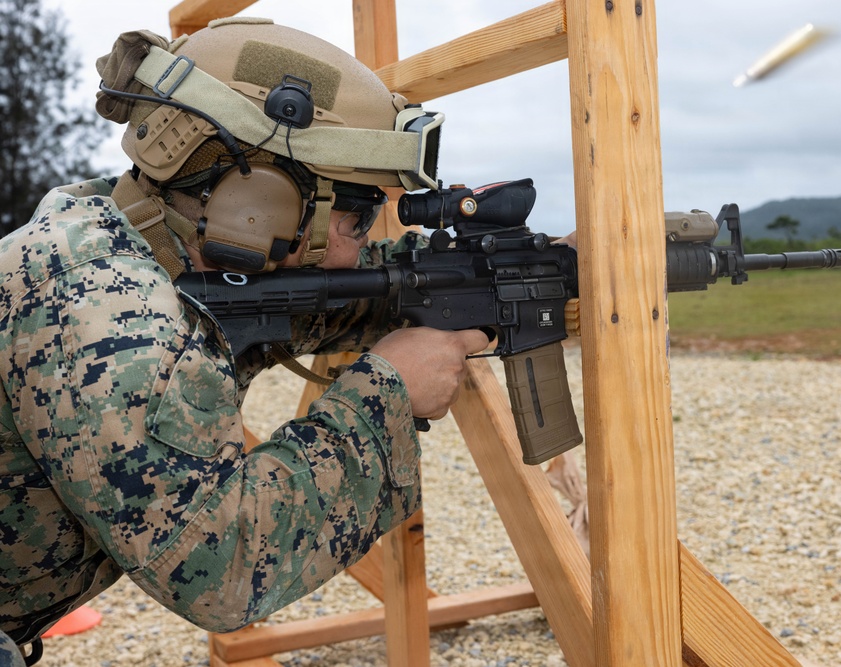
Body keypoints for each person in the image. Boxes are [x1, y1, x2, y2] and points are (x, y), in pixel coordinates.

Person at [0, 18, 489, 665]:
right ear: (257, 203)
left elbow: (316, 302)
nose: (362, 242)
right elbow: (217, 564)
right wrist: (383, 398)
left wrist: (474, 270)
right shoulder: (105, 313)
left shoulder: (134, 236)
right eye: (358, 215)